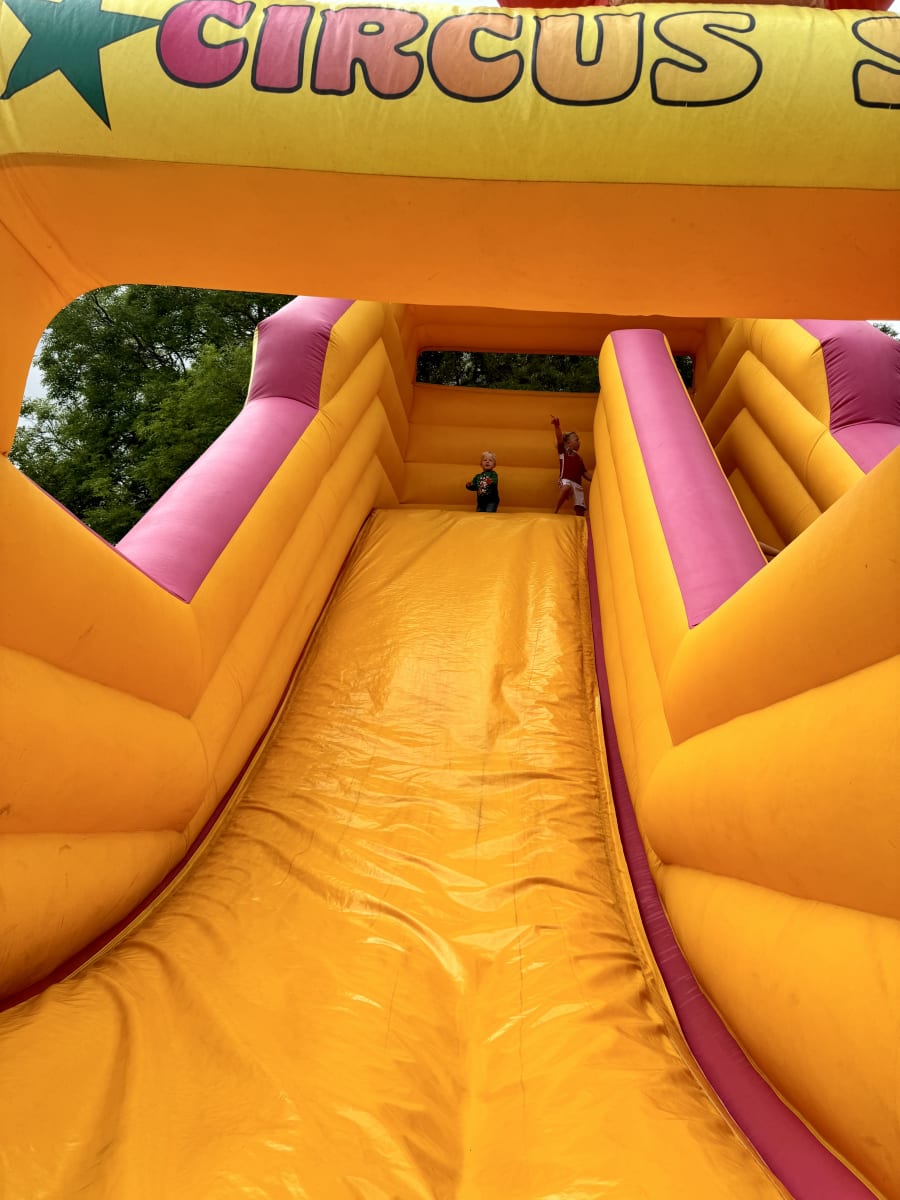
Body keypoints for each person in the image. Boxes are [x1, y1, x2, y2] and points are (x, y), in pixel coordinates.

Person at [550, 416, 591, 516]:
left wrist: (593, 480)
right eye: (576, 440)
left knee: (580, 506)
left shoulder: (579, 458)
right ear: (568, 443)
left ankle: (580, 518)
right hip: (565, 479)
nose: (579, 442)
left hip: (577, 483)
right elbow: (559, 438)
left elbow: (584, 472)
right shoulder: (563, 452)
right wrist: (557, 426)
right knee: (566, 487)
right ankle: (555, 510)